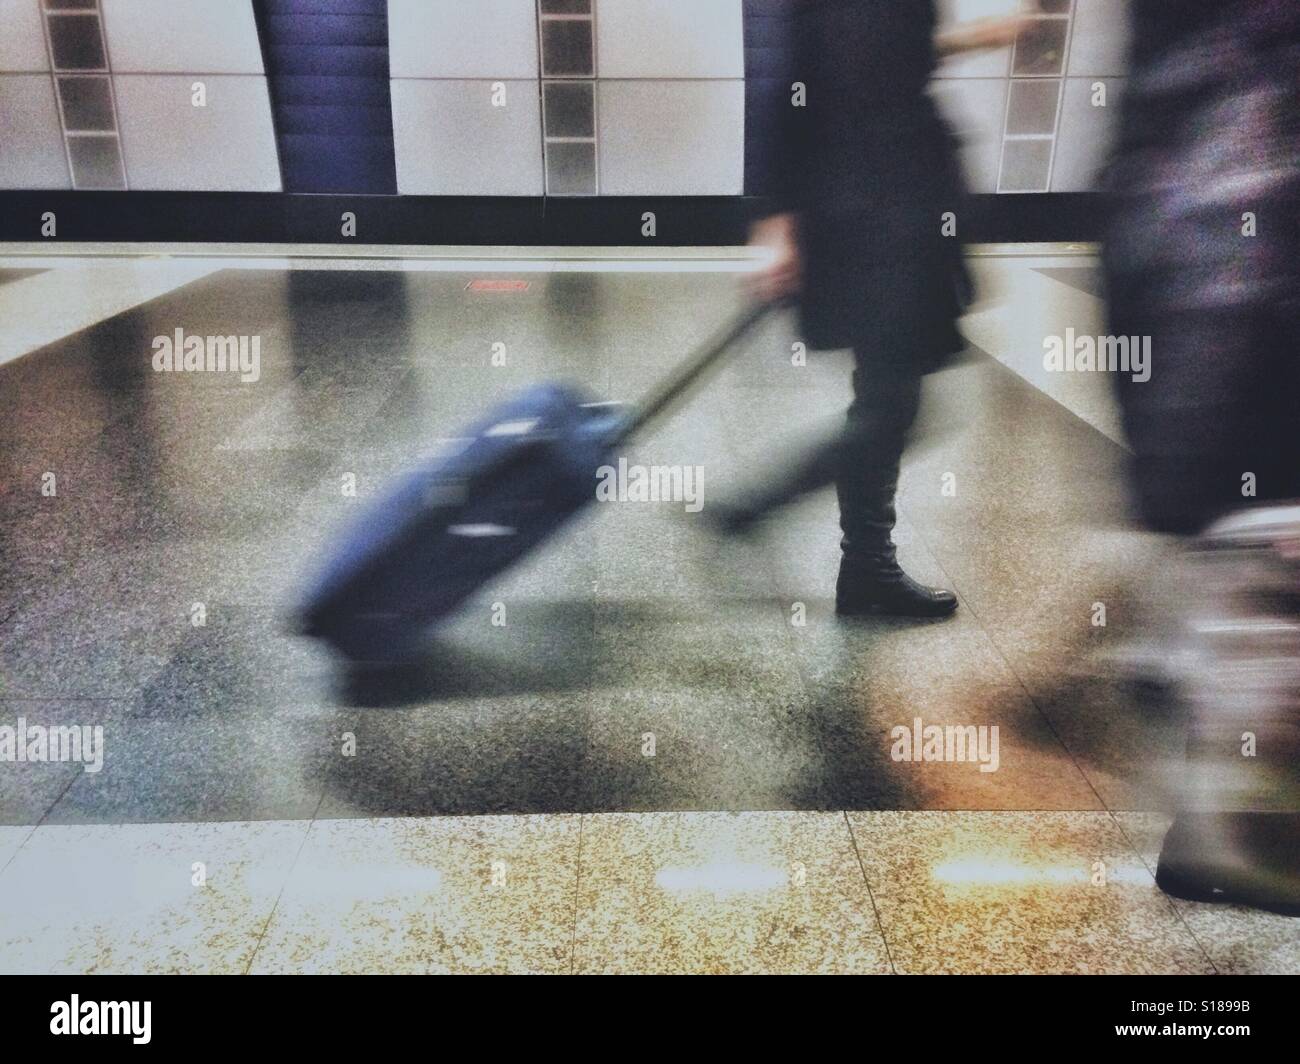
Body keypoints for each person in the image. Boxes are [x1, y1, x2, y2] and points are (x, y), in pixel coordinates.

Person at [719, 1, 1023, 619]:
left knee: (890, 397)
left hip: (889, 193)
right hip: (874, 204)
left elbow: (869, 52)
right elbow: (784, 69)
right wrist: (773, 219)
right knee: (895, 404)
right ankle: (758, 509)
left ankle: (864, 568)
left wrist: (964, 40)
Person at [1102, 0, 1300, 913]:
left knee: (1242, 607)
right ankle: (1238, 839)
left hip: (1203, 322)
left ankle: (1221, 827)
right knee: (1258, 603)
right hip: (1240, 344)